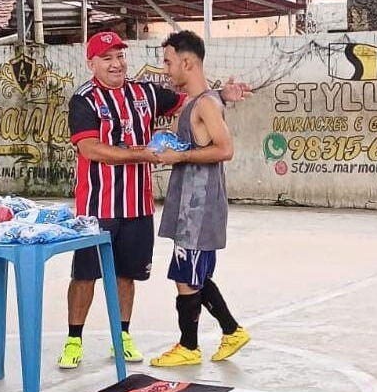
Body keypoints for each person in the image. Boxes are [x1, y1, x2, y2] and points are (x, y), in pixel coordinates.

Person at [59, 30, 249, 369]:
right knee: (86, 273)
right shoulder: (84, 100)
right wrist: (144, 155)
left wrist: (223, 94)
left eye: (120, 56)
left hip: (138, 205)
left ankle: (124, 336)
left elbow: (194, 100)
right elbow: (89, 149)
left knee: (128, 274)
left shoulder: (144, 93)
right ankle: (75, 339)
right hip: (97, 205)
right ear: (92, 64)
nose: (116, 64)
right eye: (107, 58)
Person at [150, 30, 250, 367]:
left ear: (187, 61)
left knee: (186, 277)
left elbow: (225, 149)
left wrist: (179, 157)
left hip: (198, 206)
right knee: (192, 274)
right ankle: (229, 330)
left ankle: (190, 346)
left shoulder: (205, 103)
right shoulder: (203, 100)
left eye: (168, 61)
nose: (165, 69)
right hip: (191, 205)